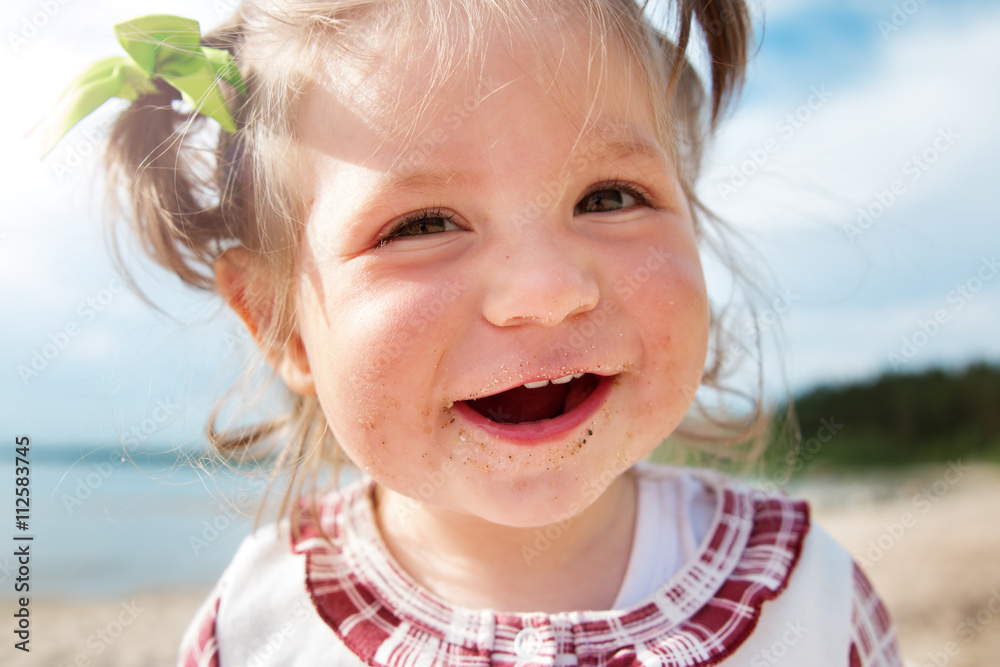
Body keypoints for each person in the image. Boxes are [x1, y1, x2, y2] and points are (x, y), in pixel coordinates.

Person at [46, 1, 903, 665]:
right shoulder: (260, 629)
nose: (547, 292)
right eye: (422, 223)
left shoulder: (806, 603)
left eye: (609, 196)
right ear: (279, 323)